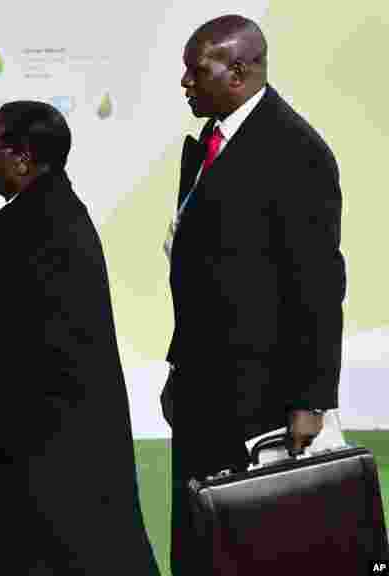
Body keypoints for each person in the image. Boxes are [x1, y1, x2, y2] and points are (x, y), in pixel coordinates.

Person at [160, 15, 345, 575]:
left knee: (252, 548)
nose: (185, 83)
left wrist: (310, 400)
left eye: (197, 71)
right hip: (202, 388)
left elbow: (317, 283)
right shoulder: (210, 143)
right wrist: (179, 368)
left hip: (258, 399)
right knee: (199, 540)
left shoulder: (297, 150)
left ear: (238, 71)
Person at [0, 101, 160, 574]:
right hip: (36, 458)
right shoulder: (43, 221)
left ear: (22, 158)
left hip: (41, 468)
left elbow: (46, 363)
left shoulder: (44, 231)